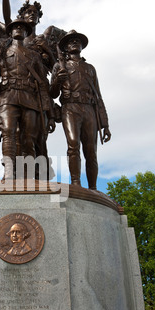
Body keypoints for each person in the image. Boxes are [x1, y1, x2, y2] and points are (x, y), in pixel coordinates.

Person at [0, 19, 55, 180]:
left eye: (22, 28)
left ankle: (27, 174)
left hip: (29, 98)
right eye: (15, 27)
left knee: (29, 138)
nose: (18, 29)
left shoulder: (34, 56)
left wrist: (49, 114)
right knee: (8, 133)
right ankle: (9, 172)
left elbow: (43, 85)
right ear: (10, 33)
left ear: (26, 33)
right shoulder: (1, 53)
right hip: (7, 96)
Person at [50, 30, 111, 190]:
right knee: (73, 145)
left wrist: (104, 123)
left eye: (77, 41)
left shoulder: (90, 68)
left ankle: (93, 188)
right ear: (65, 48)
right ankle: (76, 182)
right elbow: (52, 93)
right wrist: (58, 80)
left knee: (91, 151)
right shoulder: (59, 66)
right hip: (70, 107)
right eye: (71, 41)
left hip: (89, 109)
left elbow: (98, 96)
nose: (74, 43)